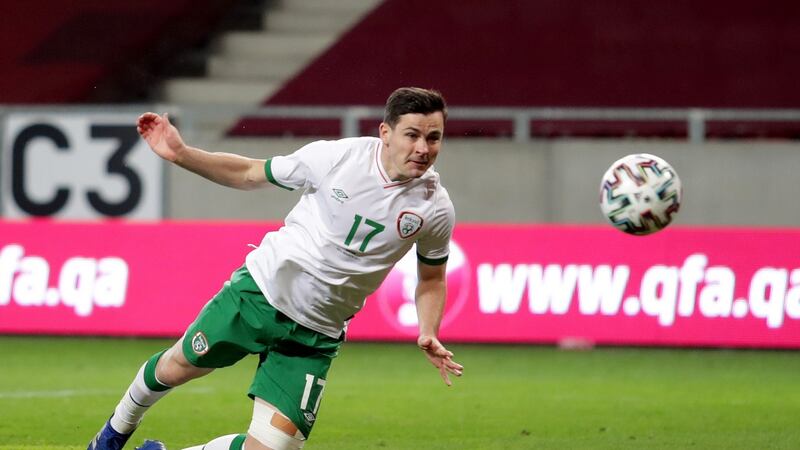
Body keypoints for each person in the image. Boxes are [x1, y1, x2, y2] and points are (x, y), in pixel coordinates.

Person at [88, 87, 463, 450]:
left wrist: (428, 329)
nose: (423, 149)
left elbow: (431, 277)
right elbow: (251, 173)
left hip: (316, 333)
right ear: (385, 132)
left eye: (434, 138)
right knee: (177, 366)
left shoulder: (435, 207)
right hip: (260, 294)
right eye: (412, 135)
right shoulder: (337, 159)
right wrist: (183, 154)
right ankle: (112, 435)